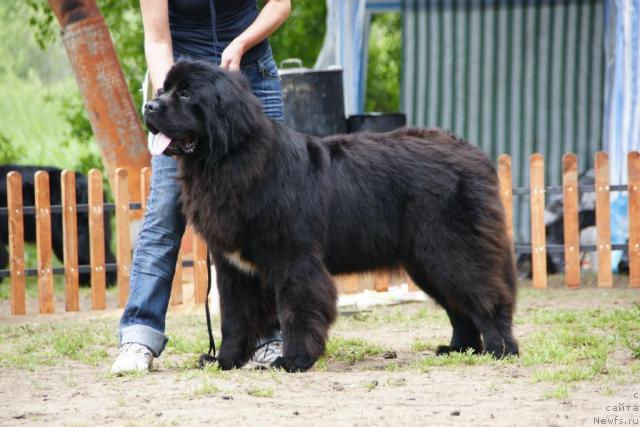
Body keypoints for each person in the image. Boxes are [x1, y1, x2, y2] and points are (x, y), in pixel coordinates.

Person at [111, 0, 291, 374]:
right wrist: (171, 98)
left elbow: (281, 5)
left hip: (249, 73)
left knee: (267, 219)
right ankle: (139, 336)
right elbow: (158, 40)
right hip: (185, 83)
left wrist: (240, 44)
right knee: (164, 213)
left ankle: (266, 337)